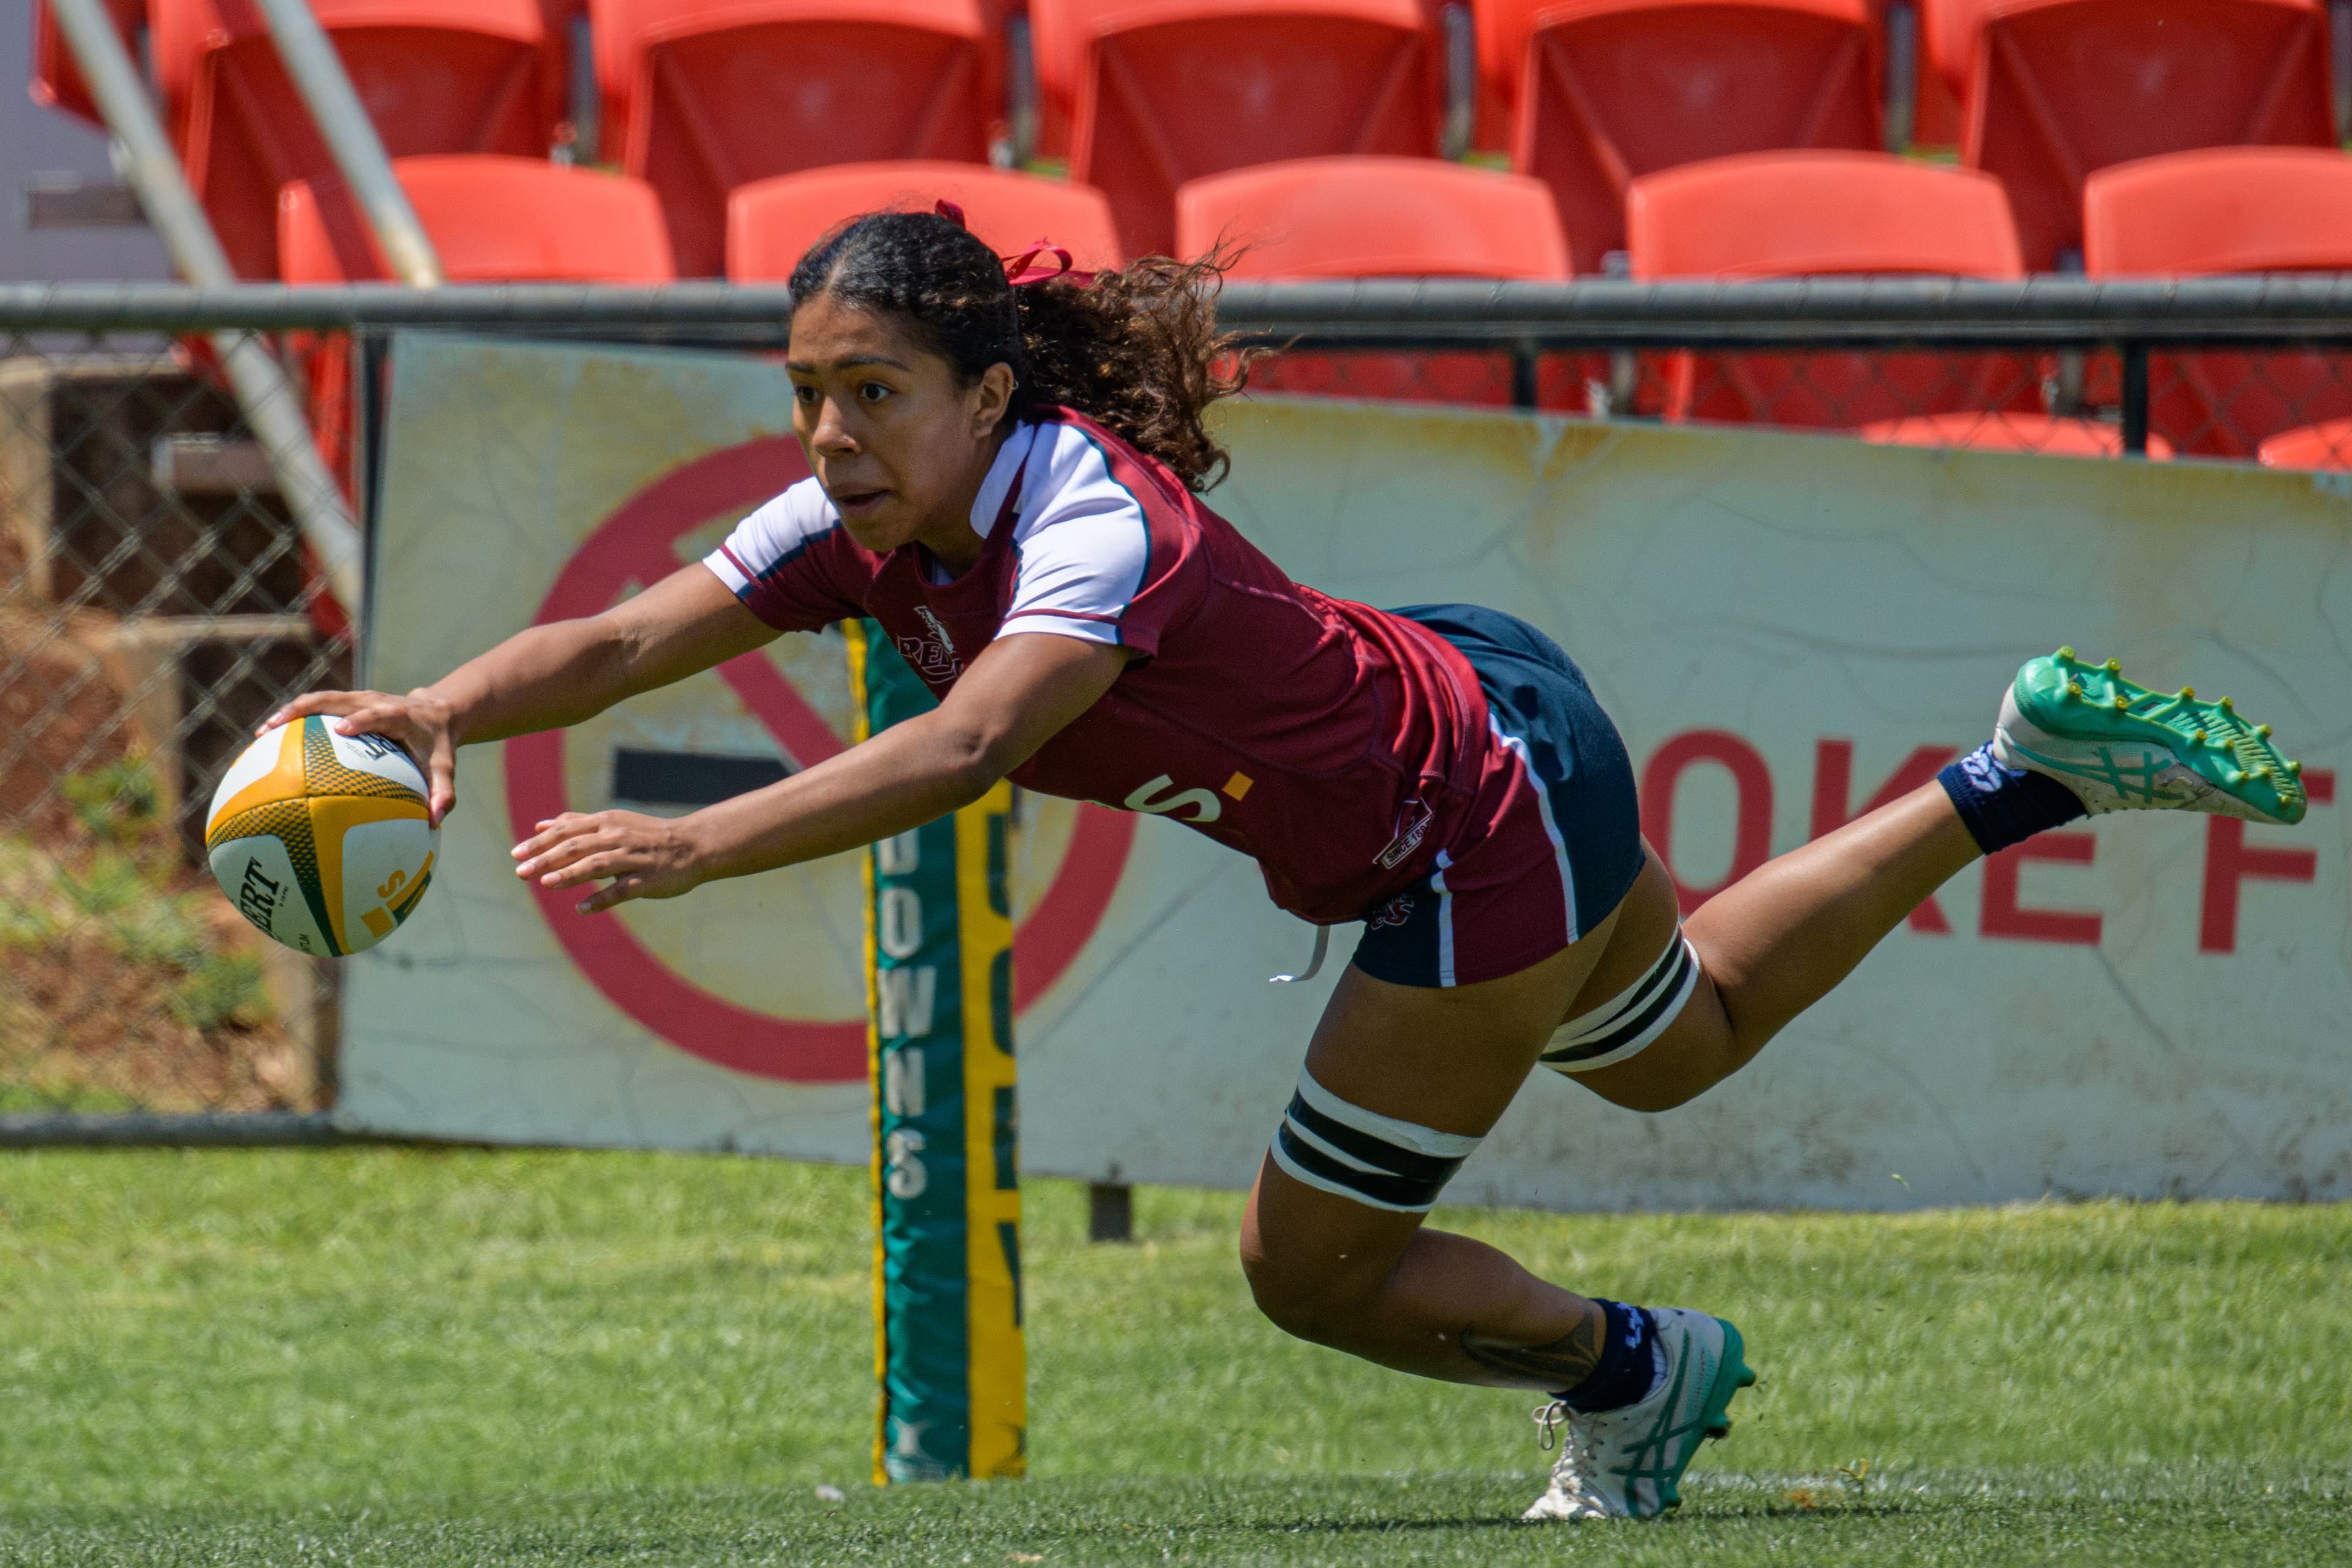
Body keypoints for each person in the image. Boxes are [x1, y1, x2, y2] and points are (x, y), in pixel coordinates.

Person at [264, 208, 2309, 1521]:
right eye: (805, 393)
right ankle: (2018, 773)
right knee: (1677, 1043)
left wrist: (697, 840)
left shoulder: (1089, 519)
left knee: (1300, 1275)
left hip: (1461, 822)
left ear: (991, 393)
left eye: (869, 391)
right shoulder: (869, 516)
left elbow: (974, 743)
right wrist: (438, 712)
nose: (826, 432)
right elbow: (627, 636)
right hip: (1493, 721)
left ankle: (1635, 1372)